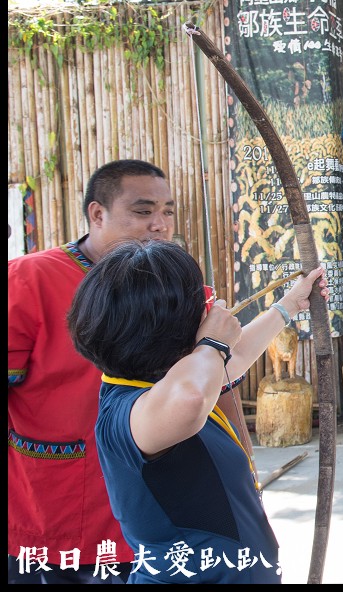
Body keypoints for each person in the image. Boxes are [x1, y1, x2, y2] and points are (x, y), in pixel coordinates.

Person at [7, 160, 252, 583]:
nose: (159, 224)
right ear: (97, 214)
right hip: (54, 513)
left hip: (167, 521)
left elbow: (218, 384)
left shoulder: (182, 288)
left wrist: (247, 473)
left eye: (168, 211)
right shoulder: (30, 280)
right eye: (142, 211)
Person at [65, 239, 326, 583]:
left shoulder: (163, 378)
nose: (208, 307)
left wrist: (289, 305)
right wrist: (213, 343)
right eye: (200, 302)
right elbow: (191, 398)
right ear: (167, 326)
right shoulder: (128, 412)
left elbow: (236, 357)